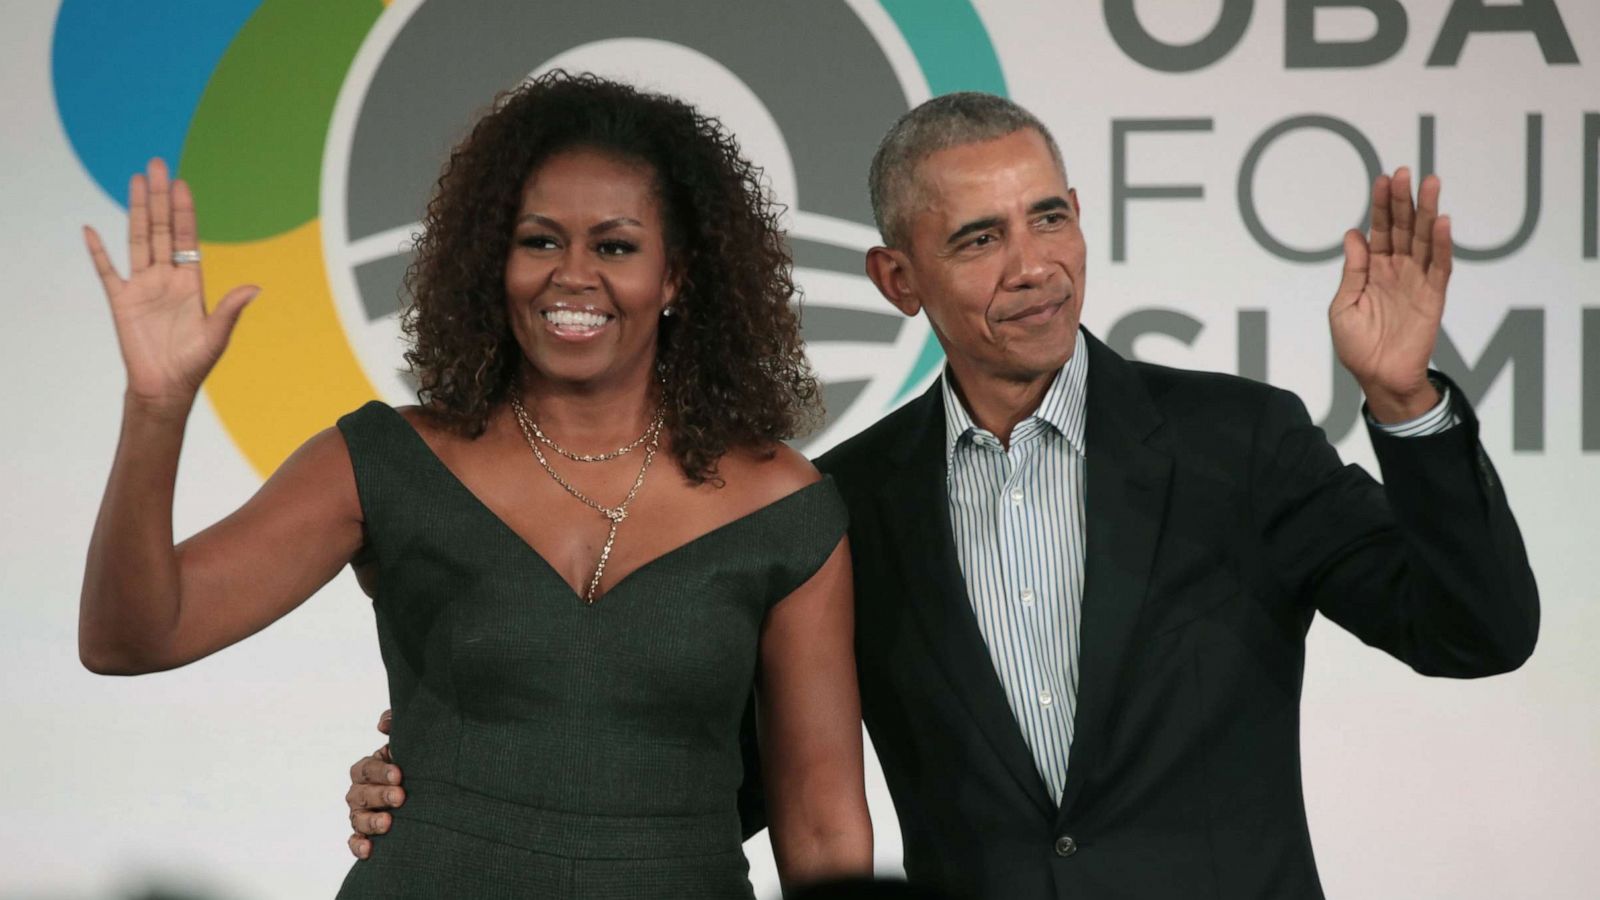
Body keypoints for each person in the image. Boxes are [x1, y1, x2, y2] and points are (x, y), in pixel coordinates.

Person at [345, 93, 1538, 898]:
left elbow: (1475, 633)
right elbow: (725, 780)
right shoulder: (842, 506)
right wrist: (455, 775)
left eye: (1051, 217)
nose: (1032, 265)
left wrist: (1405, 406)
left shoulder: (1238, 443)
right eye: (978, 238)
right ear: (897, 278)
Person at [78, 72, 871, 898]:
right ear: (493, 261)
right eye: (538, 241)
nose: (572, 275)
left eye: (615, 245)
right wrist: (155, 407)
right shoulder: (387, 461)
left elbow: (821, 819)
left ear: (677, 276)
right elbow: (132, 637)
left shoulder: (781, 503)